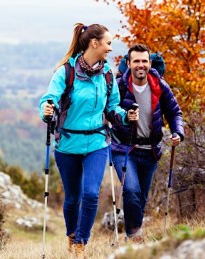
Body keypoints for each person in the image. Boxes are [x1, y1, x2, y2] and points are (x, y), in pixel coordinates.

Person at [39, 23, 134, 256]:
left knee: (90, 193)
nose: (110, 48)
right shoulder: (66, 72)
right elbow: (48, 99)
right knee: (72, 198)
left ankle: (81, 243)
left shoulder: (108, 74)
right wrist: (46, 110)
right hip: (68, 143)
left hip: (97, 143)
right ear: (95, 43)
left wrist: (126, 116)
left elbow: (113, 108)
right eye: (108, 43)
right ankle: (71, 235)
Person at [111, 43, 184, 242]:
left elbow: (174, 112)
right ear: (129, 63)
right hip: (124, 148)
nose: (140, 65)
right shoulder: (119, 86)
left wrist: (178, 132)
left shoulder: (159, 85)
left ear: (150, 63)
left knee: (141, 198)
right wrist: (124, 117)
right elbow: (109, 112)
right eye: (136, 61)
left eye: (144, 61)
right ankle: (134, 236)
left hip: (151, 150)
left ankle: (132, 236)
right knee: (131, 190)